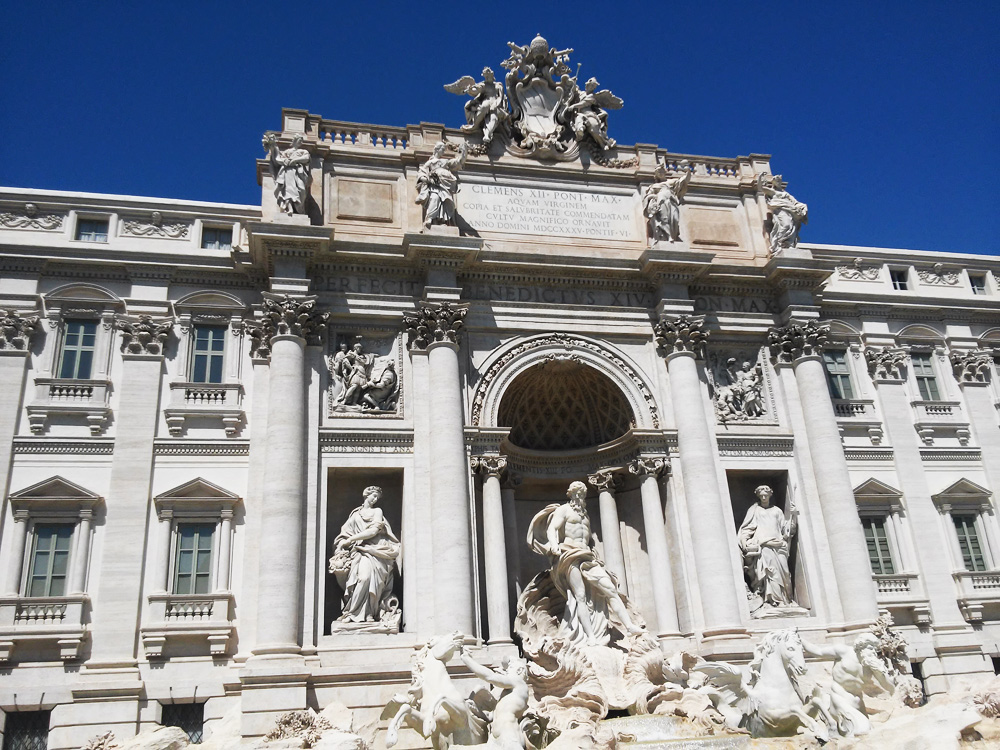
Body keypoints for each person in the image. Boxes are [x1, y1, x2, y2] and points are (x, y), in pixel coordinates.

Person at [527, 481, 644, 645]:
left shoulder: (585, 515)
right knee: (579, 596)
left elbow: (588, 539)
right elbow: (552, 529)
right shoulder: (564, 510)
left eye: (582, 493)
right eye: (576, 493)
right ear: (570, 494)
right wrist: (554, 545)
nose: (580, 496)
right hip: (569, 554)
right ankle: (590, 637)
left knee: (610, 589)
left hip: (587, 556)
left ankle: (629, 626)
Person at [329, 486, 400, 623]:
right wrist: (343, 542)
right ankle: (352, 613)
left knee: (372, 581)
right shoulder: (355, 515)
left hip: (376, 552)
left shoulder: (377, 511)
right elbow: (343, 534)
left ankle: (369, 614)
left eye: (377, 498)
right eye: (373, 496)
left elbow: (373, 531)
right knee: (363, 578)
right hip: (359, 552)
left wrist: (351, 539)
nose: (375, 499)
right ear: (366, 495)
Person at [738, 485, 796, 608]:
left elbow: (786, 530)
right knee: (770, 573)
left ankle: (787, 599)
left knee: (785, 572)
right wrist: (744, 541)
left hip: (778, 544)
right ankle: (773, 601)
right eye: (761, 495)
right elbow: (747, 528)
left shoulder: (777, 511)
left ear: (770, 495)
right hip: (763, 545)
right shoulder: (754, 510)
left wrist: (793, 516)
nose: (764, 497)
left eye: (766, 495)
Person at [459, 652, 530, 750]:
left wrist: (467, 659)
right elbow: (490, 717)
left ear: (519, 670)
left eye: (509, 669)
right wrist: (476, 709)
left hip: (509, 735)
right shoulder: (508, 694)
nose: (506, 672)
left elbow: (490, 677)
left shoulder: (519, 682)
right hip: (494, 739)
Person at [415, 141, 468, 229]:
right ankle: (430, 219)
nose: (443, 151)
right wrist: (426, 179)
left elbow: (458, 163)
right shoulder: (430, 163)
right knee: (434, 198)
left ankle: (442, 220)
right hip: (434, 186)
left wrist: (463, 153)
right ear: (437, 149)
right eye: (442, 149)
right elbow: (422, 172)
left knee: (446, 201)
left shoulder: (445, 162)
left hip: (445, 185)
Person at [263, 132, 311, 214]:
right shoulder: (287, 152)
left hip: (298, 173)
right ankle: (289, 208)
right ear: (295, 140)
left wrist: (295, 160)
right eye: (300, 140)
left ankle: (299, 208)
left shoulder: (303, 151)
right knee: (288, 190)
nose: (301, 142)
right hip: (288, 172)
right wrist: (273, 146)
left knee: (301, 189)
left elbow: (307, 158)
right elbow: (278, 159)